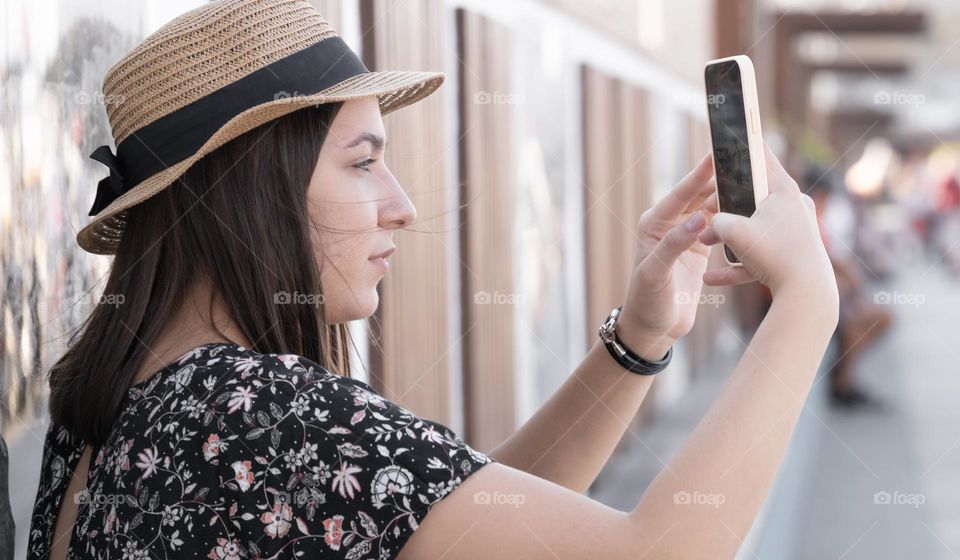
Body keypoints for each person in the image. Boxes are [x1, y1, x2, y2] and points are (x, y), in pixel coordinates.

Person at [28, 1, 839, 559]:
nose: (403, 206)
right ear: (253, 189)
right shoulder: (255, 415)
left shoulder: (117, 400)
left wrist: (639, 339)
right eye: (363, 163)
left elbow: (456, 520)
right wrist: (806, 301)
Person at [805, 167, 892, 408]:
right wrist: (851, 286)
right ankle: (843, 382)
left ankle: (843, 377)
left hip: (829, 296)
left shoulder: (817, 219)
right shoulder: (809, 220)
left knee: (878, 319)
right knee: (863, 324)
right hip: (817, 300)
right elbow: (830, 262)